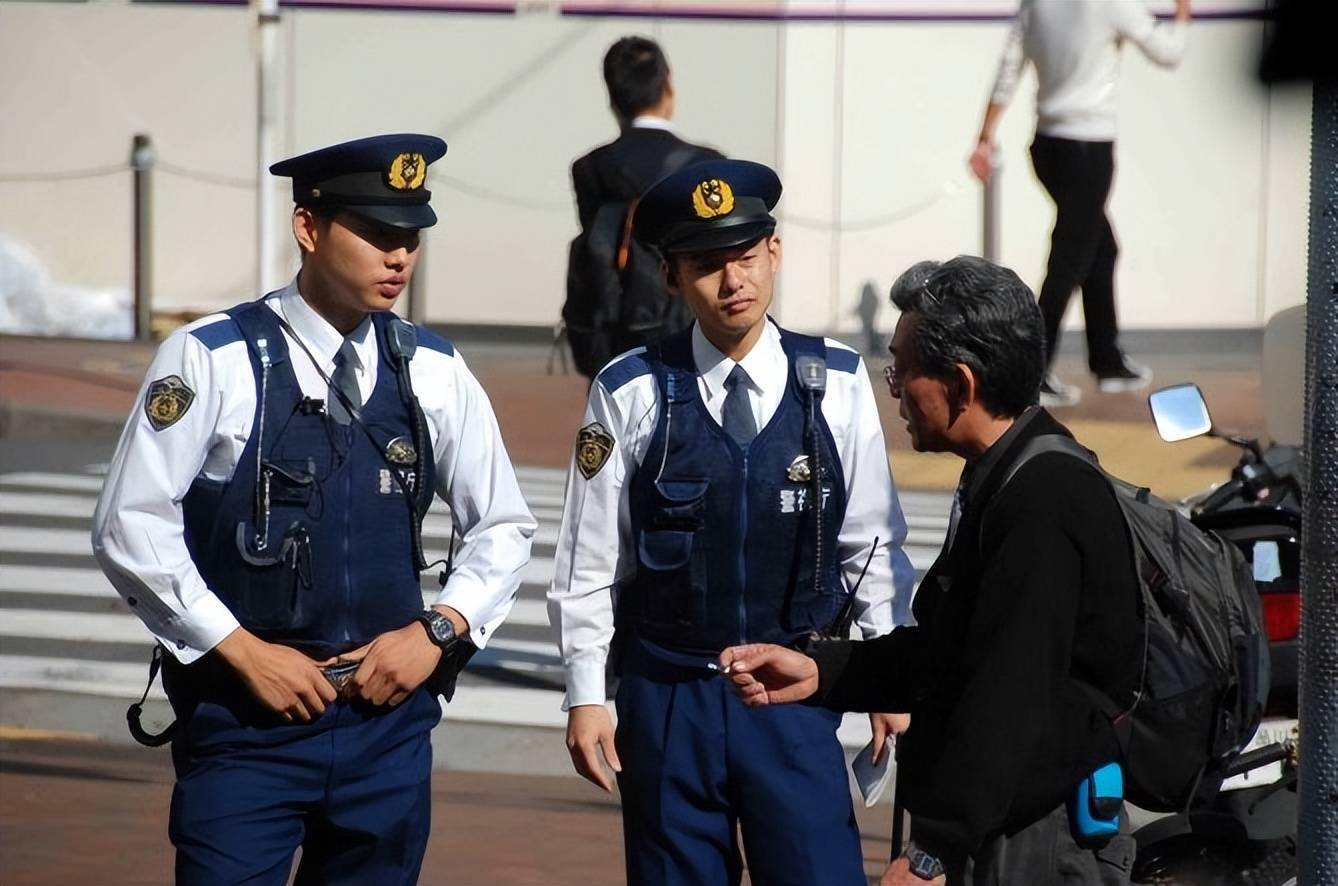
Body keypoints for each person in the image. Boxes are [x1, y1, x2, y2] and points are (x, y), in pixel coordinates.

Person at [92, 134, 536, 884]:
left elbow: (503, 526)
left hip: (387, 734)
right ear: (309, 228)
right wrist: (240, 650)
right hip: (243, 730)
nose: (398, 256)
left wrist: (436, 632)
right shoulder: (214, 357)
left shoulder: (433, 369)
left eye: (410, 237)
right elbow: (128, 523)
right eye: (376, 233)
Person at [547, 158, 917, 885]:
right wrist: (586, 695)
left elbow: (872, 544)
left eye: (746, 257)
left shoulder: (836, 382)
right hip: (670, 697)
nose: (733, 281)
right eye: (707, 265)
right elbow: (587, 561)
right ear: (671, 276)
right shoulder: (630, 391)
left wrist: (883, 670)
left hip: (794, 691)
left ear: (774, 252)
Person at [719, 257, 1144, 885]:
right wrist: (822, 670)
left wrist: (931, 855)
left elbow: (1008, 696)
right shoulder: (1003, 471)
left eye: (903, 370)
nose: (895, 390)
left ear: (962, 385)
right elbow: (953, 651)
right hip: (1002, 823)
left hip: (1035, 841)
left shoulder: (1043, 501)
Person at [969, 0, 1192, 407]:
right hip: (1089, 147)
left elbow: (1008, 68)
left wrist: (985, 135)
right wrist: (1181, 16)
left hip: (1047, 148)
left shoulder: (1036, 4)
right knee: (1068, 261)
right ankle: (1031, 373)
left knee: (1101, 249)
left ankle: (1106, 360)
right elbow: (1169, 53)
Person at [564, 35, 724, 377]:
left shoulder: (591, 169)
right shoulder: (707, 165)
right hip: (696, 337)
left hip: (618, 337)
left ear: (611, 98)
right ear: (668, 87)